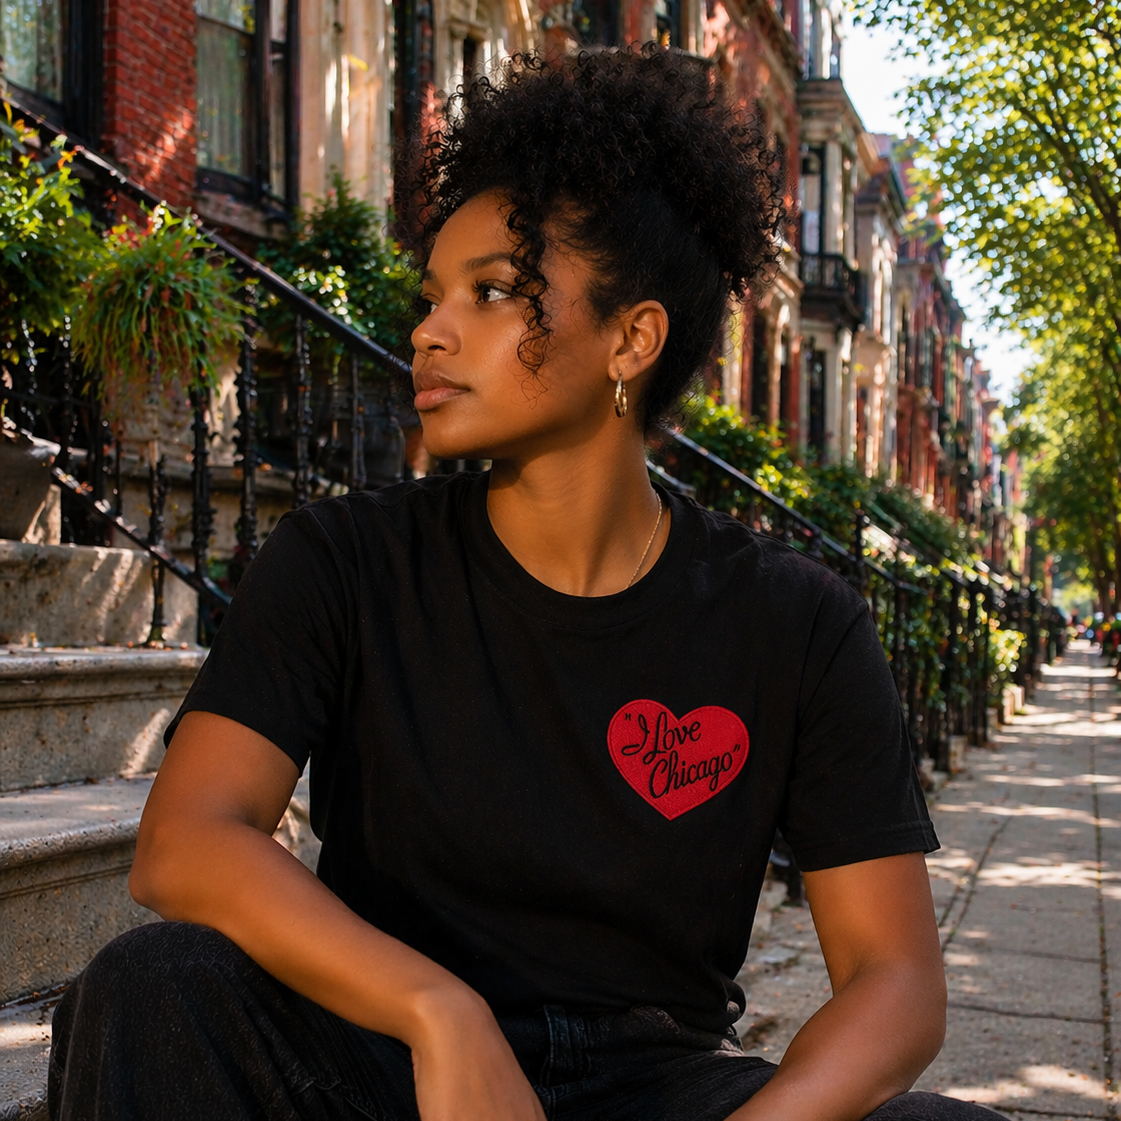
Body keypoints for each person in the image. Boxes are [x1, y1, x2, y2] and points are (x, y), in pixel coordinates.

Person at [49, 48, 1004, 1121]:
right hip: (387, 1058)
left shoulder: (795, 621)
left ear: (631, 339)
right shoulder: (344, 560)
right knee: (149, 987)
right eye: (433, 294)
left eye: (493, 291)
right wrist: (433, 1009)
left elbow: (896, 980)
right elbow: (187, 840)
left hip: (659, 1082)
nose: (428, 328)